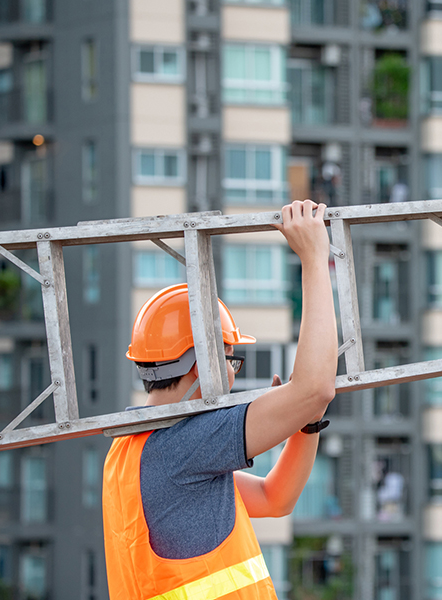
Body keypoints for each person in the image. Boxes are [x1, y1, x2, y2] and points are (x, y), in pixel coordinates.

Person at [102, 200, 337, 599]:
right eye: (231, 359)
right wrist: (315, 259)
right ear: (202, 364)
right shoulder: (183, 445)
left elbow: (274, 498)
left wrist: (306, 421)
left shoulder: (132, 449)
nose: (233, 373)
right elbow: (316, 387)